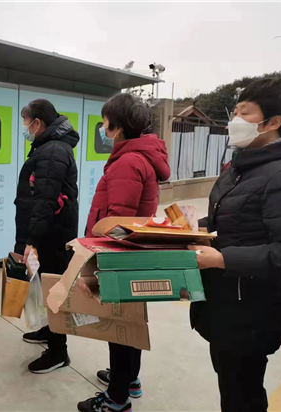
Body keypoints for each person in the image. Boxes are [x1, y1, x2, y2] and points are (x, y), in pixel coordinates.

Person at [189, 78, 281, 411]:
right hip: (225, 303)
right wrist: (191, 229)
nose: (233, 120)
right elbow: (231, 220)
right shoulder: (241, 166)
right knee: (231, 383)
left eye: (244, 112)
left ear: (273, 122)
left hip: (252, 312)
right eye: (235, 111)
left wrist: (220, 259)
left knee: (243, 394)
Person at [77, 94, 170, 412]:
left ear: (117, 126)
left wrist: (97, 259)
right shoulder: (142, 156)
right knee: (130, 322)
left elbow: (118, 220)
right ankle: (128, 378)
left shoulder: (128, 162)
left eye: (104, 122)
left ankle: (117, 399)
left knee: (118, 326)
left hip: (119, 256)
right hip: (134, 253)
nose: (103, 128)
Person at [15, 99, 79, 373]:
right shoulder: (48, 147)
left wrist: (30, 240)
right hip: (48, 231)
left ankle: (58, 352)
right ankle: (49, 330)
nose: (25, 128)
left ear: (37, 122)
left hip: (51, 235)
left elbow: (44, 200)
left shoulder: (52, 150)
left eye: (26, 121)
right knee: (44, 286)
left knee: (53, 289)